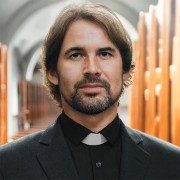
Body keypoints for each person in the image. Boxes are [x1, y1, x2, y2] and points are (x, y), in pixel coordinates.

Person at [0, 1, 180, 180]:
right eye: (76, 55)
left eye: (104, 54)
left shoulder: (173, 163)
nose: (92, 68)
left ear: (125, 70)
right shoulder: (7, 164)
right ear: (53, 73)